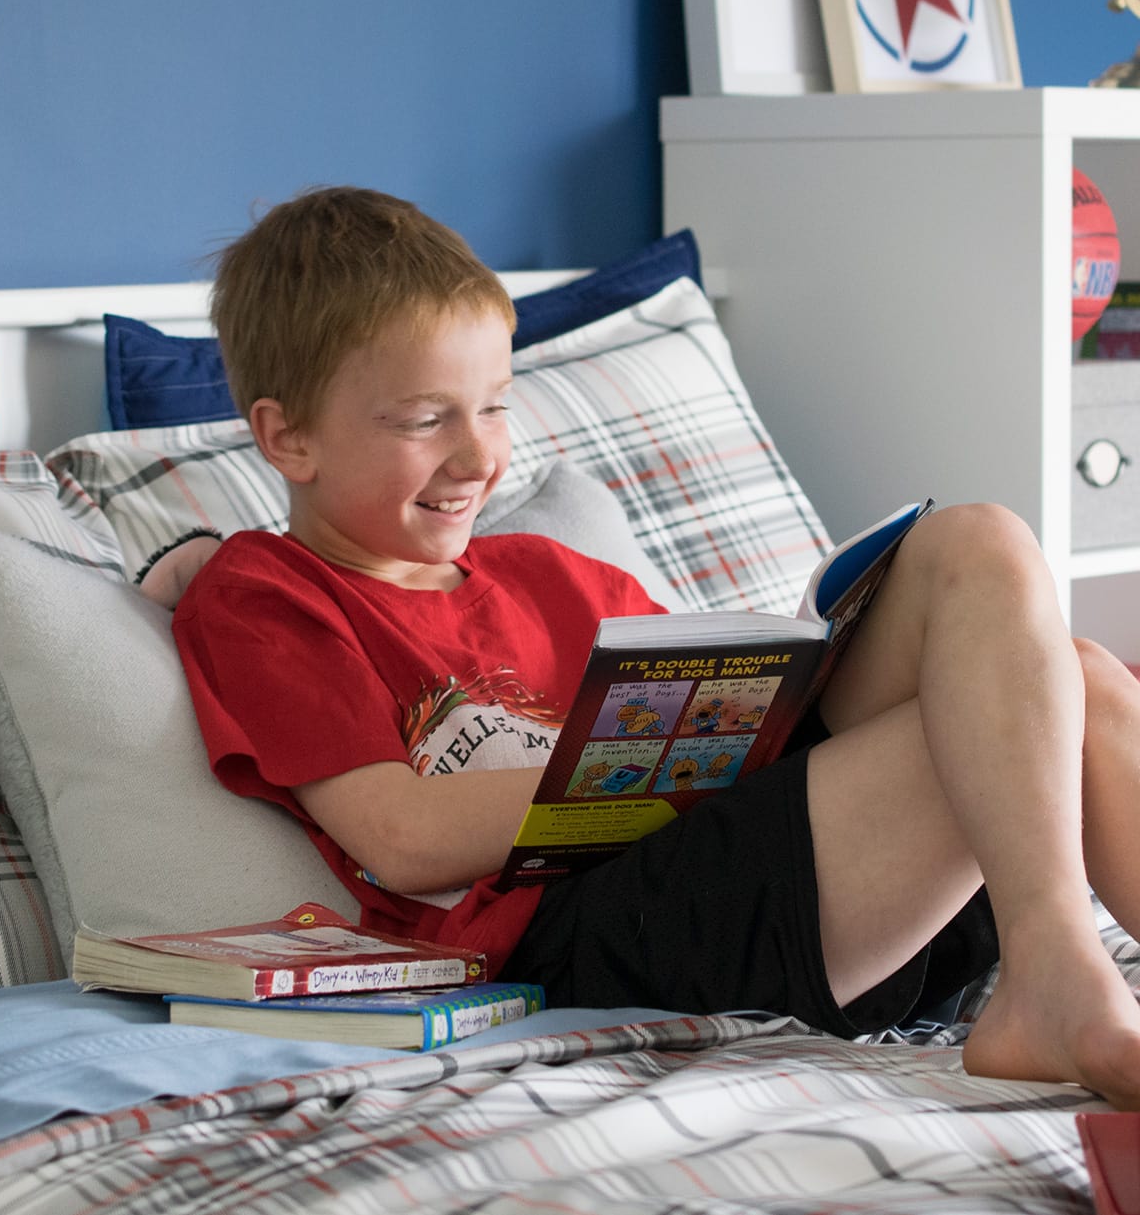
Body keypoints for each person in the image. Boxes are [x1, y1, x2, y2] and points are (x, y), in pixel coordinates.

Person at [172, 184, 1140, 1110]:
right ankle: (1054, 976)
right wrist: (672, 766)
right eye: (427, 420)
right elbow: (404, 838)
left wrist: (755, 720)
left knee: (1005, 574)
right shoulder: (267, 592)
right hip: (589, 935)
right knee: (1029, 713)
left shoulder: (554, 573)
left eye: (497, 405)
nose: (477, 456)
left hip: (833, 897)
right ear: (287, 439)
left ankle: (1052, 965)